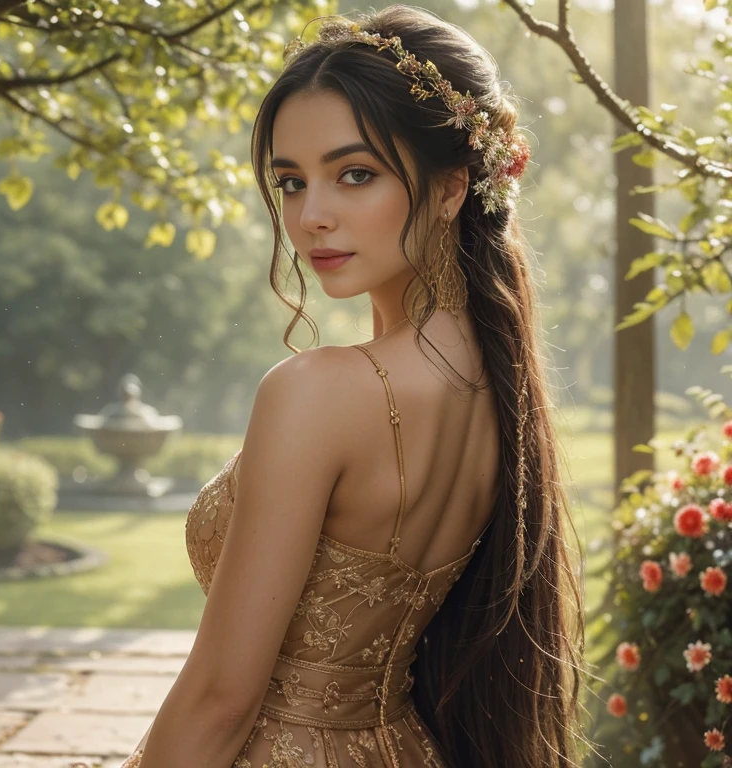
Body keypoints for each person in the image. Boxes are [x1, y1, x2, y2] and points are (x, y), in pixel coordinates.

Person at [115, 5, 586, 767]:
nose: (311, 217)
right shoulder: (501, 384)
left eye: (354, 174)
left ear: (449, 188)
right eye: (292, 182)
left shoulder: (319, 391)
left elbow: (219, 700)